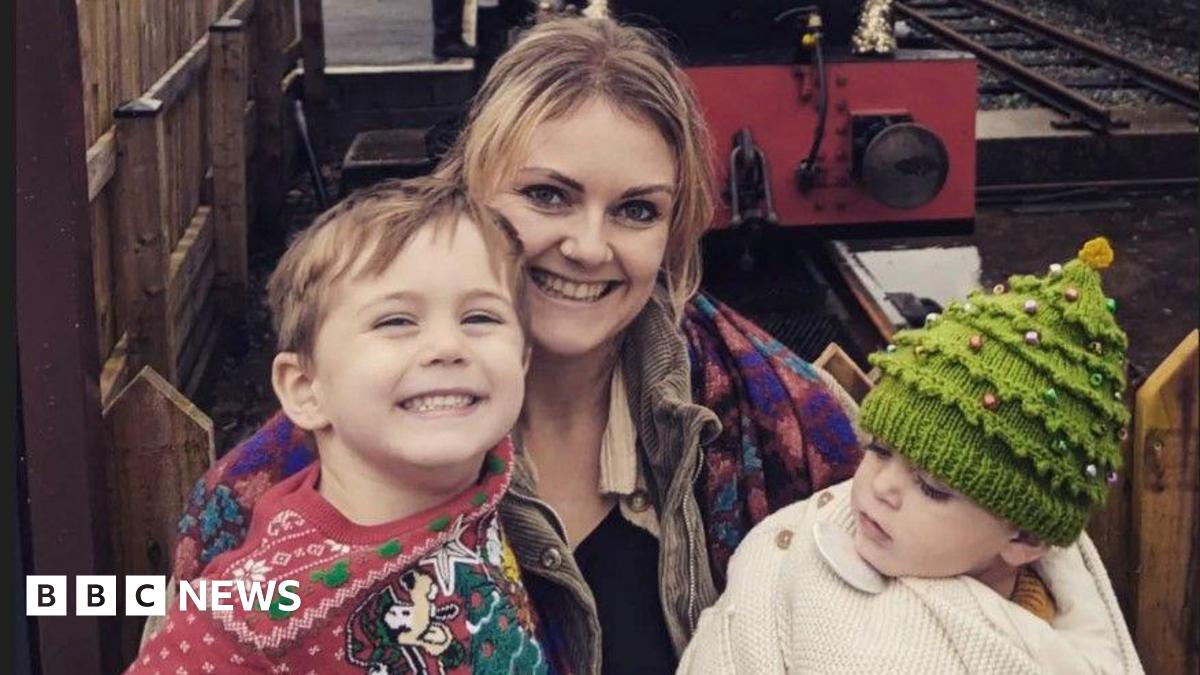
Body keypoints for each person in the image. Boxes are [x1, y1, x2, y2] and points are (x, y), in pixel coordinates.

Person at [167, 17, 887, 674]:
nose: (587, 245)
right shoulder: (271, 494)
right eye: (548, 195)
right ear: (471, 190)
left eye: (636, 210)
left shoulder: (782, 419)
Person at [129, 178, 557, 673]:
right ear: (306, 389)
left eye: (480, 317)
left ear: (523, 362)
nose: (449, 345)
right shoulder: (256, 612)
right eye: (396, 321)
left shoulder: (493, 474)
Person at [678, 238, 1145, 674]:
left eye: (933, 488)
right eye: (879, 450)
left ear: (1023, 537)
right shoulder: (851, 525)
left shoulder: (1005, 655)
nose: (881, 486)